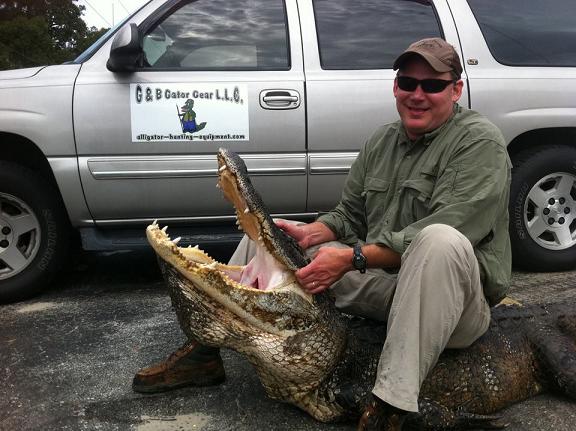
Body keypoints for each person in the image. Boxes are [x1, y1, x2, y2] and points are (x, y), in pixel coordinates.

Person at [132, 38, 511, 431]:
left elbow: (452, 230)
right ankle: (205, 355)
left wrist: (351, 259)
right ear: (395, 86)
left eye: (432, 85)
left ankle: (390, 408)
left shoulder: (479, 142)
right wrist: (315, 232)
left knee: (439, 240)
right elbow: (350, 214)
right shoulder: (383, 140)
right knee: (264, 240)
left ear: (456, 89)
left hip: (451, 303)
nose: (417, 94)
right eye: (407, 82)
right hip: (388, 286)